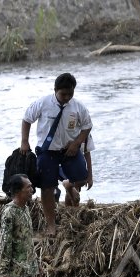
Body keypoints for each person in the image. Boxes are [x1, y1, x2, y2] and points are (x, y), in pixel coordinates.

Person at [21, 72, 92, 234]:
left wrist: (76, 143)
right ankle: (51, 225)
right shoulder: (43, 103)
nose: (67, 97)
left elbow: (87, 126)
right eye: (63, 94)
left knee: (81, 177)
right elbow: (26, 119)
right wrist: (24, 141)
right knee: (47, 187)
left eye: (70, 94)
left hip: (69, 150)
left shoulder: (78, 107)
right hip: (47, 151)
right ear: (55, 90)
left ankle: (69, 185)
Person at [60, 134, 94, 207]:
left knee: (77, 187)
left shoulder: (86, 134)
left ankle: (72, 210)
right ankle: (67, 184)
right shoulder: (67, 129)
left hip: (78, 165)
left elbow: (87, 153)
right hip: (63, 164)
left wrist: (90, 177)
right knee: (74, 190)